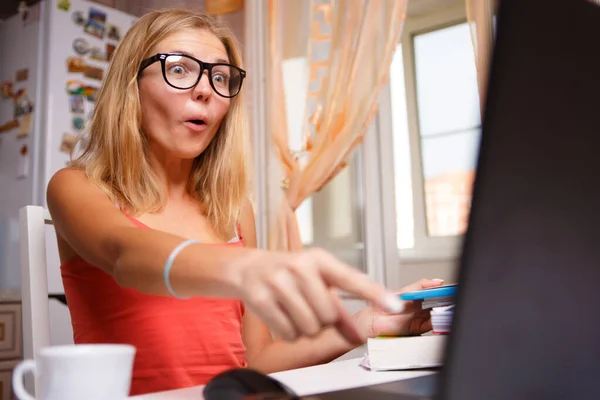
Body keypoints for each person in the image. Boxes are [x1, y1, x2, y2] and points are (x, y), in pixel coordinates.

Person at [46, 8, 444, 396]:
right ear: (131, 84)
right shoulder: (77, 186)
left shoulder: (234, 212)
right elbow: (123, 253)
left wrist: (368, 324)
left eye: (220, 76)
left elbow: (256, 359)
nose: (205, 90)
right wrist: (243, 266)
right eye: (179, 68)